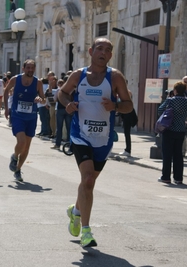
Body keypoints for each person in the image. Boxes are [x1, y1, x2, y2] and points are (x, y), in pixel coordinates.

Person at [58, 38, 133, 247]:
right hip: (80, 134)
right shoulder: (78, 75)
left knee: (88, 182)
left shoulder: (115, 77)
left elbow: (128, 105)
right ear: (91, 51)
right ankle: (86, 231)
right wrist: (68, 104)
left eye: (108, 50)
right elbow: (61, 93)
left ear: (110, 55)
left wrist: (115, 106)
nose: (103, 52)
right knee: (88, 179)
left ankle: (75, 211)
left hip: (104, 138)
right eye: (99, 48)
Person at [4, 59, 46, 181]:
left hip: (31, 117)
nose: (30, 70)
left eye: (32, 68)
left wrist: (39, 99)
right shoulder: (16, 79)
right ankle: (15, 156)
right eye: (28, 67)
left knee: (27, 147)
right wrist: (7, 108)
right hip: (18, 116)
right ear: (23, 68)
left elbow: (43, 99)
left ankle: (18, 170)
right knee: (21, 142)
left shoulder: (37, 82)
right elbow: (6, 90)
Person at [157, 81, 187, 184]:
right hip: (181, 130)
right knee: (178, 154)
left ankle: (166, 176)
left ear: (175, 90)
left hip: (169, 129)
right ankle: (178, 177)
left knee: (167, 154)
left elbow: (160, 110)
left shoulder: (170, 100)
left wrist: (167, 99)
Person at [51, 79, 73, 150]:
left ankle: (57, 145)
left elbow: (55, 99)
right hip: (68, 110)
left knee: (59, 128)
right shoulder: (71, 91)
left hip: (60, 109)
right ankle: (70, 145)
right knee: (69, 128)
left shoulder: (59, 90)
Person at [119, 88, 137, 156]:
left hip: (128, 119)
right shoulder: (126, 104)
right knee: (126, 134)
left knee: (127, 134)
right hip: (126, 119)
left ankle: (128, 150)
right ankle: (127, 149)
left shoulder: (129, 104)